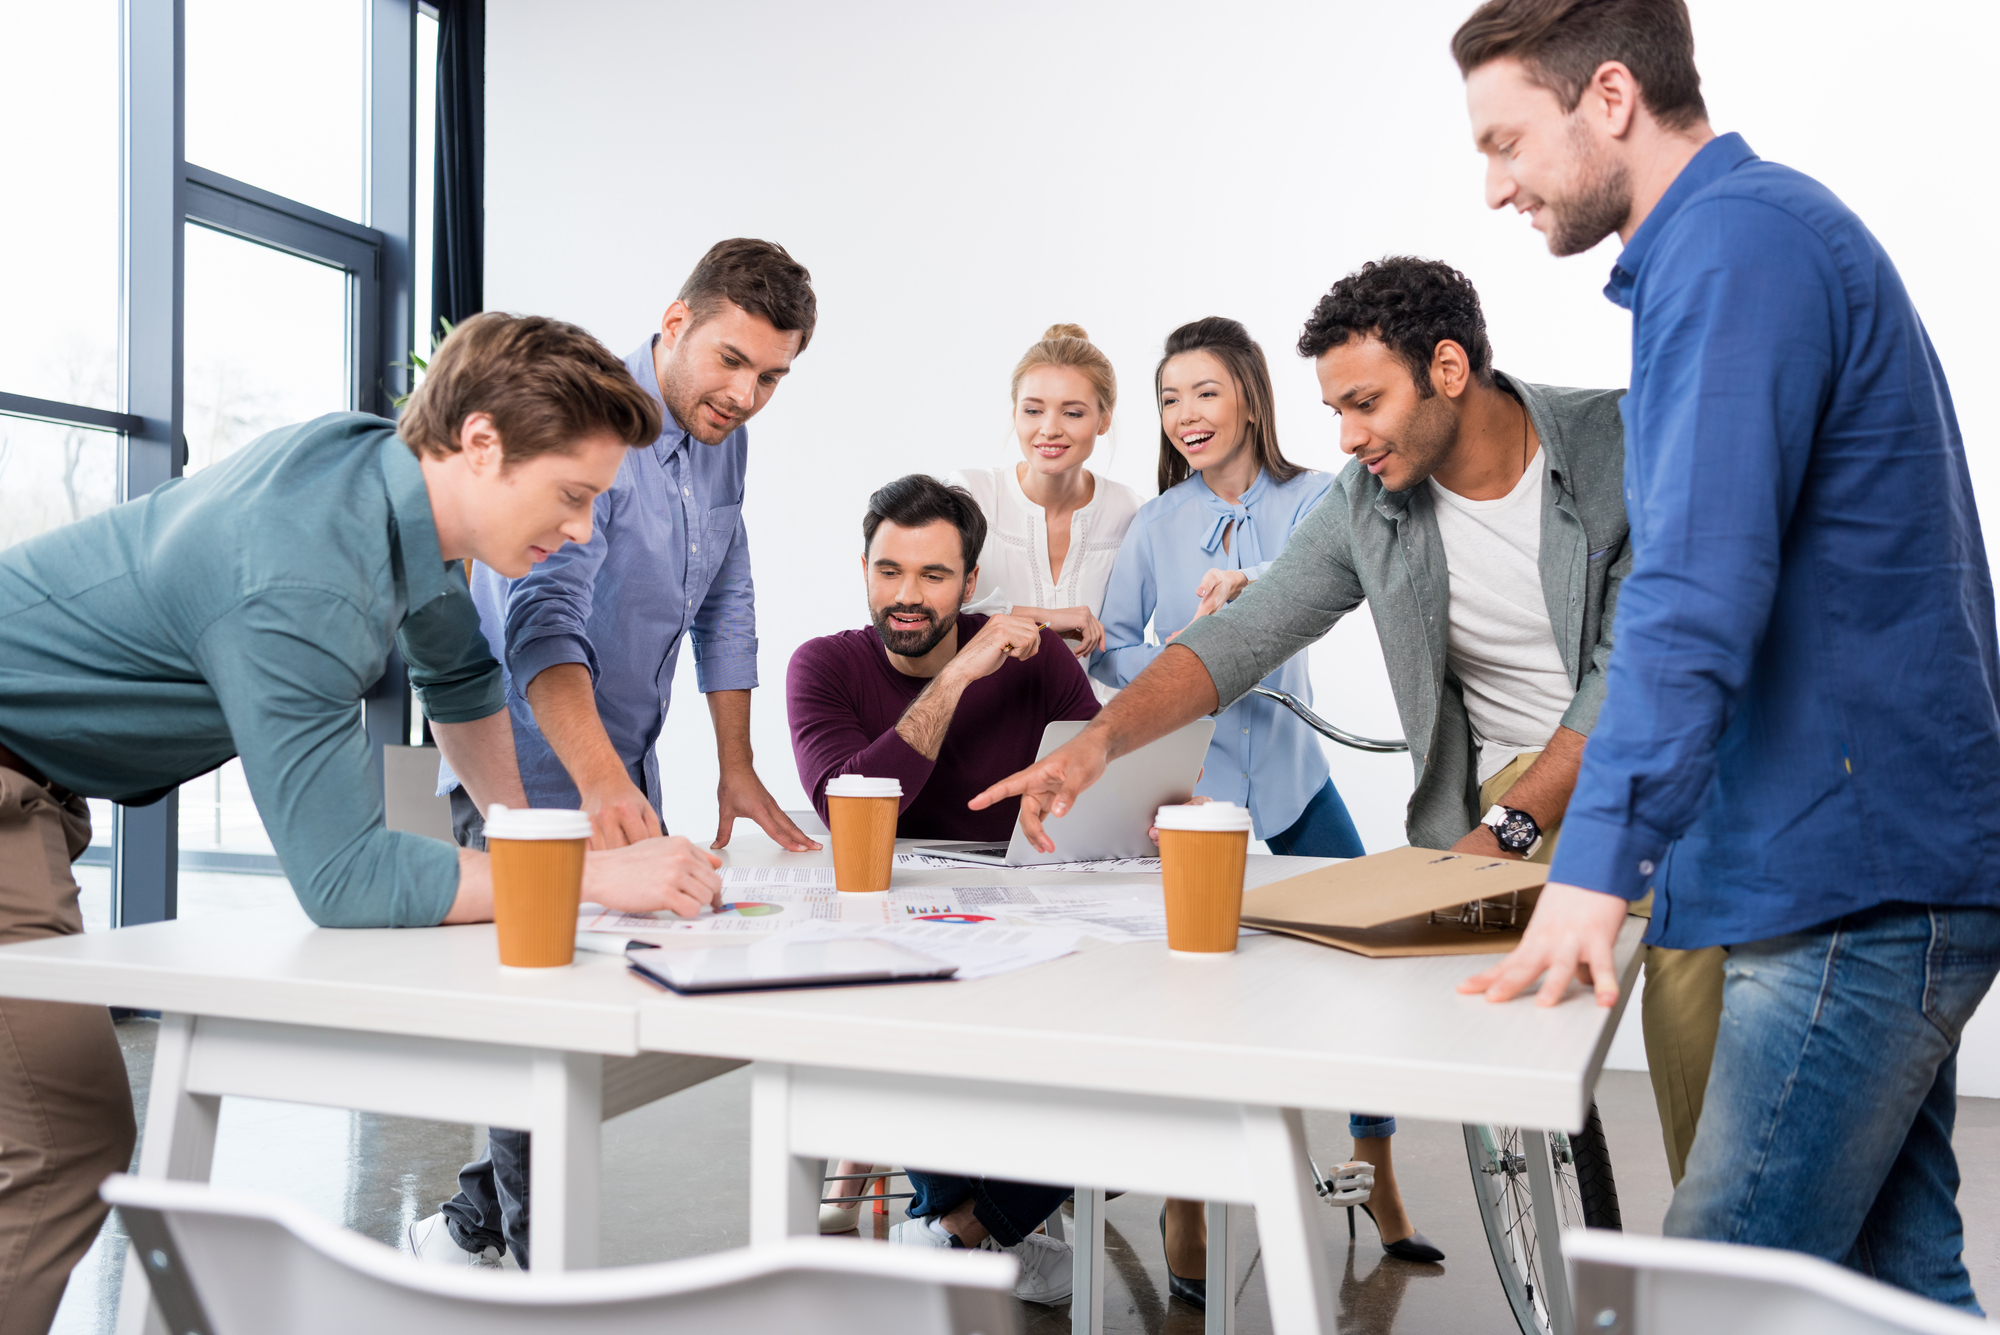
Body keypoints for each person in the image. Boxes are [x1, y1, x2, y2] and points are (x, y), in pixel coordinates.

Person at [0, 312, 724, 1333]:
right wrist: (594, 879)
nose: (579, 532)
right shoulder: (300, 579)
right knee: (58, 1141)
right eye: (572, 498)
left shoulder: (381, 476)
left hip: (34, 783)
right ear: (481, 443)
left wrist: (528, 843)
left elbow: (458, 667)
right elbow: (340, 879)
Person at [1451, 0, 2000, 1309]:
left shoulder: (1736, 251)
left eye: (1508, 140)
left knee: (1711, 1292)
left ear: (1613, 99)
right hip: (1861, 873)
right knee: (1896, 1289)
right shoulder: (1735, 243)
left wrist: (1592, 868)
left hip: (1848, 890)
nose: (1494, 187)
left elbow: (1692, 592)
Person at [413, 240, 821, 1271]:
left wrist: (731, 760)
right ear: (674, 323)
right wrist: (600, 785)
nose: (747, 394)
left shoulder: (722, 438)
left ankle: (468, 1228)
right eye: (731, 361)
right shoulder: (589, 424)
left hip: (618, 756)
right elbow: (540, 621)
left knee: (583, 1020)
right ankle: (535, 1271)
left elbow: (725, 588)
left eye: (772, 376)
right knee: (543, 1018)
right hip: (525, 765)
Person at [1090, 317, 1394, 1306]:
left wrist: (1255, 594)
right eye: (1169, 397)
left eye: (1204, 393)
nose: (1185, 415)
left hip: (1295, 777)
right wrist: (1190, 658)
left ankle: (1376, 1170)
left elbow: (1342, 576)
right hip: (1198, 794)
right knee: (1194, 991)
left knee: (1372, 964)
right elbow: (1109, 653)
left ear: (1250, 399)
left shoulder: (1322, 496)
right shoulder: (1157, 524)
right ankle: (1185, 1194)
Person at [785, 472, 1097, 1305]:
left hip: (1033, 936)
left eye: (932, 575)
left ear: (969, 581)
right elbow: (849, 800)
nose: (908, 595)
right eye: (889, 570)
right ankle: (984, 1228)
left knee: (1142, 1059)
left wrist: (1156, 798)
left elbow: (1096, 784)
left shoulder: (1042, 662)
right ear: (863, 570)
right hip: (901, 946)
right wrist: (958, 673)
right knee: (902, 1027)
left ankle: (960, 1230)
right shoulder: (822, 665)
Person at [947, 323, 1142, 699]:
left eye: (1072, 413)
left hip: (1088, 736)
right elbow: (939, 613)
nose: (1049, 429)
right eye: (1033, 410)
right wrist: (1047, 619)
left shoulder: (1130, 512)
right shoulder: (972, 495)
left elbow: (1128, 646)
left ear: (1104, 419)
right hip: (979, 730)